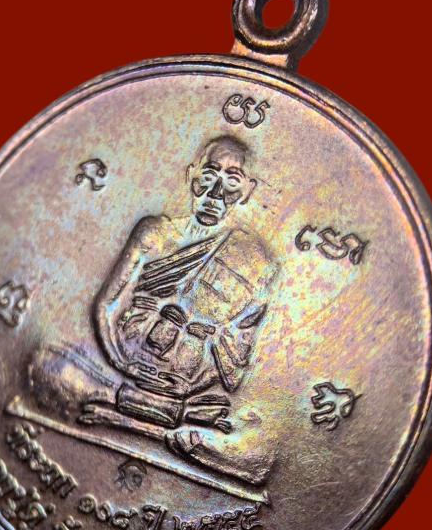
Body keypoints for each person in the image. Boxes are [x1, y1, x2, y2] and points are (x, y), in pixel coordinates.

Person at [29, 135, 279, 485]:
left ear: (247, 191)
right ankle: (167, 430)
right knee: (46, 366)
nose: (216, 193)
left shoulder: (257, 263)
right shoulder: (154, 232)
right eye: (209, 175)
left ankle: (124, 414)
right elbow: (107, 305)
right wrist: (122, 362)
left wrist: (189, 370)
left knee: (262, 451)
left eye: (232, 181)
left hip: (190, 393)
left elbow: (236, 360)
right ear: (192, 176)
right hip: (125, 370)